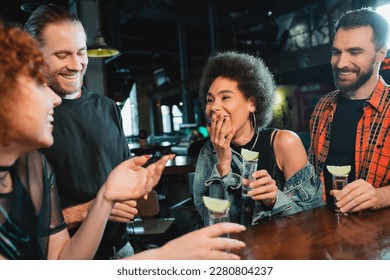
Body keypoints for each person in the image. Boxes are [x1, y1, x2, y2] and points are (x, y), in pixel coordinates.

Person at [0, 23, 246, 260]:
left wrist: (108, 197)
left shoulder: (36, 167)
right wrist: (163, 258)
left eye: (81, 52)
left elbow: (62, 265)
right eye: (36, 83)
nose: (54, 100)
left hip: (119, 246)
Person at [24, 4, 138, 259]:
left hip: (122, 250)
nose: (76, 64)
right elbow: (20, 226)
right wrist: (95, 208)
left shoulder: (107, 108)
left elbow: (126, 174)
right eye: (63, 55)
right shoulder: (25, 122)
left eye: (81, 52)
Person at [193, 51, 324, 226]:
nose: (214, 107)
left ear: (252, 104)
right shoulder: (209, 153)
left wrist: (275, 199)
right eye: (210, 100)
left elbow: (312, 218)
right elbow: (215, 226)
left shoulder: (284, 143)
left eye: (225, 97)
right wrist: (223, 163)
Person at [309, 7, 390, 214]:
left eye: (355, 52)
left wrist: (380, 196)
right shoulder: (322, 108)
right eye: (336, 52)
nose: (341, 63)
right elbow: (311, 182)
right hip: (327, 231)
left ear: (381, 53)